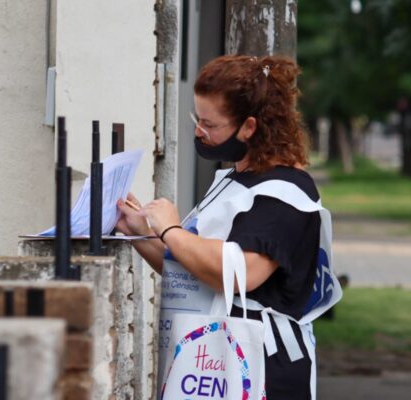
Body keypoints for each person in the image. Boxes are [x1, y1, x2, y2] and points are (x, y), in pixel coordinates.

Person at [115, 55, 341, 400]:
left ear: (249, 127)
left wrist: (170, 230)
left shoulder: (286, 192)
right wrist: (136, 231)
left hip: (261, 367)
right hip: (216, 360)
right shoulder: (237, 179)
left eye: (209, 124)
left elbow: (240, 273)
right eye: (197, 118)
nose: (198, 131)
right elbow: (196, 270)